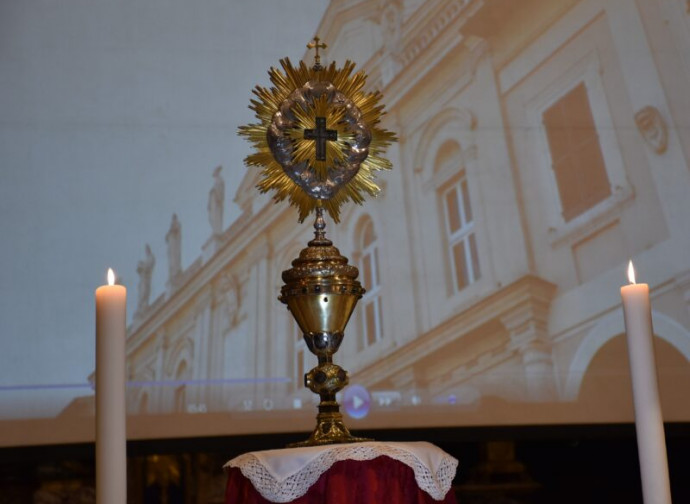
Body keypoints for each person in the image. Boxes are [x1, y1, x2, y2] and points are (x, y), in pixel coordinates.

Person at [137, 244, 155, 313]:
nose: (146, 251)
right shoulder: (147, 259)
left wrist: (143, 267)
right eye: (146, 249)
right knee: (142, 291)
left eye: (147, 249)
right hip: (143, 278)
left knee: (144, 291)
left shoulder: (151, 257)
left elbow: (149, 267)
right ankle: (142, 306)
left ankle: (144, 305)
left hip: (146, 277)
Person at [208, 165, 224, 235]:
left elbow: (220, 191)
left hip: (216, 200)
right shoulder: (217, 181)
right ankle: (216, 230)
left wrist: (216, 195)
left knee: (216, 215)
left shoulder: (220, 180)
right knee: (212, 217)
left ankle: (217, 230)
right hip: (213, 200)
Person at [166, 213, 182, 281]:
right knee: (172, 258)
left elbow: (176, 231)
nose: (173, 220)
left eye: (174, 218)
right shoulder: (172, 226)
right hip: (172, 244)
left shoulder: (177, 224)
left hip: (175, 244)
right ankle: (173, 272)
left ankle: (176, 271)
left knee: (175, 258)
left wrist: (171, 231)